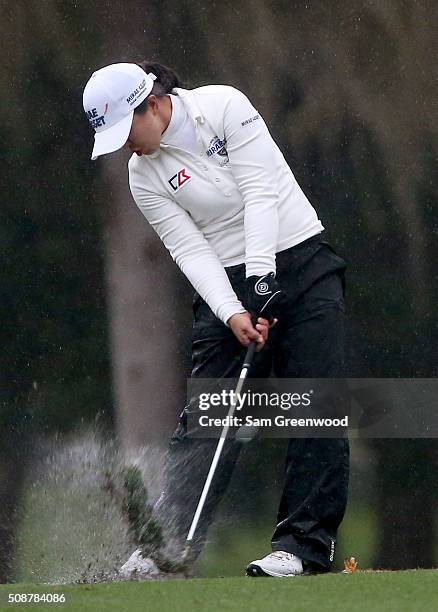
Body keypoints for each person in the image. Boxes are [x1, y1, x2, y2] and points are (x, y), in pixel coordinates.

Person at [82, 61, 349, 578]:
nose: (126, 148)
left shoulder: (223, 105)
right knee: (208, 415)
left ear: (153, 105)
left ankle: (301, 547)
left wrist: (264, 280)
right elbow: (189, 250)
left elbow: (260, 191)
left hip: (299, 261)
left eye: (126, 132)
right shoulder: (144, 175)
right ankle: (166, 551)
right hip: (228, 286)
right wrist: (232, 311)